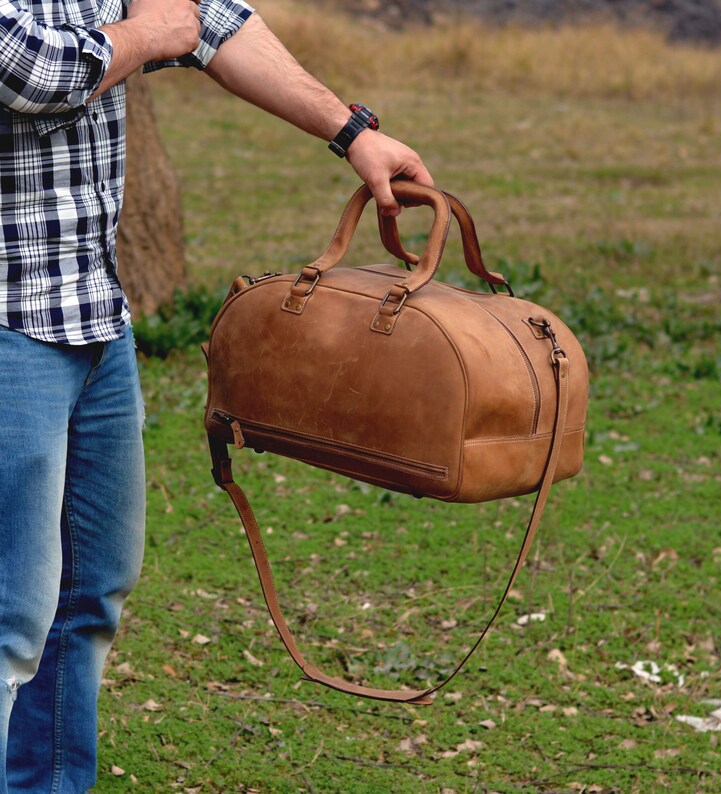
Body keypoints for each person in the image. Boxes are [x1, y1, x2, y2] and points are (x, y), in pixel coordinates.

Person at [0, 0, 433, 790]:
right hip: (7, 325)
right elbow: (30, 70)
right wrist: (155, 33)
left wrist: (354, 133)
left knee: (87, 597)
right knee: (8, 620)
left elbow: (212, 19)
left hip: (93, 316)